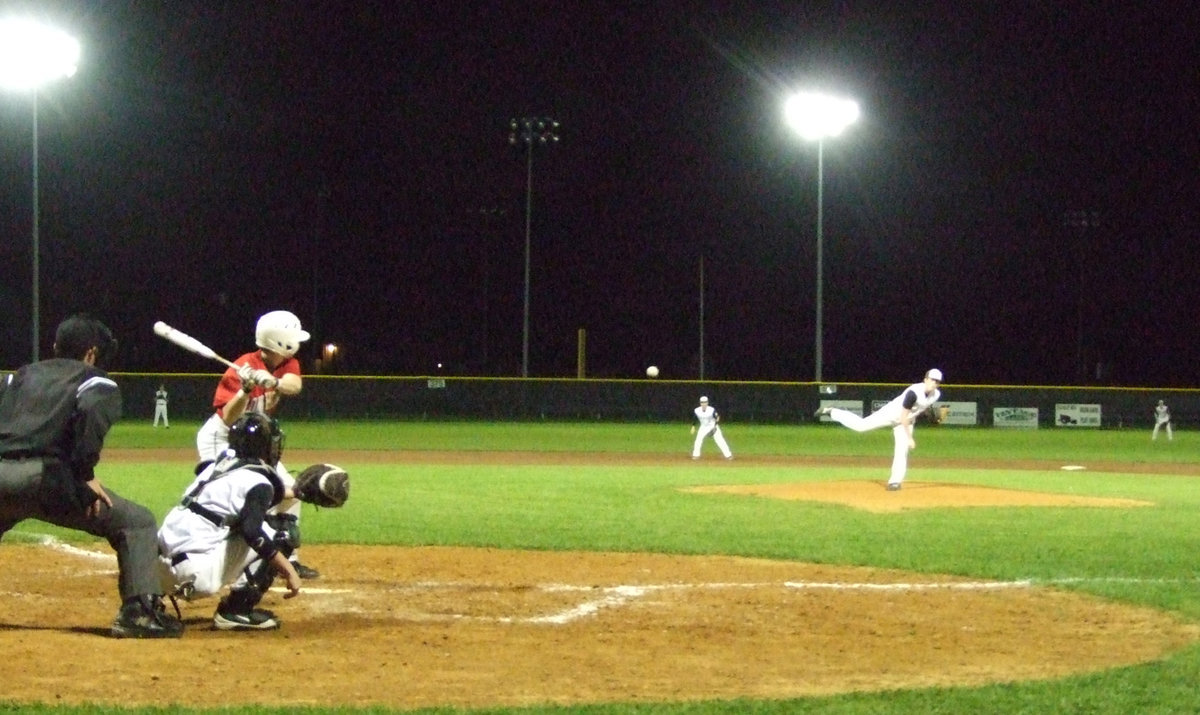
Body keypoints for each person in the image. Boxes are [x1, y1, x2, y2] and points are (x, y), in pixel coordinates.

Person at [0, 314, 183, 638]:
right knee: (137, 522)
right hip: (45, 480)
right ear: (91, 353)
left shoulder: (20, 376)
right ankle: (139, 613)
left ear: (55, 347)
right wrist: (84, 475)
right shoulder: (96, 380)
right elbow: (91, 414)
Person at [194, 310, 319, 579]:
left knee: (291, 490)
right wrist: (246, 388)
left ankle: (287, 557)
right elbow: (228, 418)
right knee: (227, 497)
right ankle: (204, 552)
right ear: (281, 342)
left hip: (254, 444)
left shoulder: (287, 363)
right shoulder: (240, 368)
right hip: (222, 439)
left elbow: (294, 385)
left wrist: (274, 381)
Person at [160, 412, 302, 630]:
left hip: (155, 572)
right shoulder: (258, 482)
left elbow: (252, 495)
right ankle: (236, 611)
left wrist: (298, 492)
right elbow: (252, 532)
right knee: (281, 532)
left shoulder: (215, 467)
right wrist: (289, 569)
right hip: (195, 576)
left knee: (216, 520)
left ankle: (150, 601)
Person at [815, 368, 943, 491]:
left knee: (902, 450)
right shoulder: (913, 393)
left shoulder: (936, 394)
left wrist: (929, 414)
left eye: (937, 381)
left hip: (907, 421)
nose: (934, 383)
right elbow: (903, 415)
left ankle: (895, 482)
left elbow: (922, 407)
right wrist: (910, 438)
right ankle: (832, 411)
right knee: (861, 426)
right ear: (925, 379)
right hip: (892, 414)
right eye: (932, 379)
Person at [691, 395, 733, 460]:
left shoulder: (711, 410)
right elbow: (694, 418)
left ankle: (728, 455)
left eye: (705, 402)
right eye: (702, 402)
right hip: (703, 427)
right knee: (698, 440)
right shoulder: (697, 410)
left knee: (719, 440)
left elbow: (717, 417)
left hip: (712, 425)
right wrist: (693, 426)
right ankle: (696, 455)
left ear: (707, 403)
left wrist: (715, 426)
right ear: (700, 403)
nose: (704, 404)